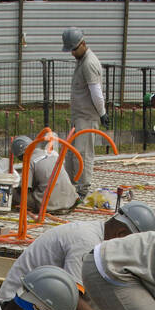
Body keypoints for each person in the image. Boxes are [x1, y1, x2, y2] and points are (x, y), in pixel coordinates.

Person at [0, 202, 155, 310]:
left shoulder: (100, 237)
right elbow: (74, 305)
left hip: (47, 305)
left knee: (102, 294)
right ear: (122, 234)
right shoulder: (87, 243)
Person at [62, 27, 108, 201]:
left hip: (87, 117)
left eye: (74, 49)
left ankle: (82, 190)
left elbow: (96, 93)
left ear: (82, 44)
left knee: (83, 153)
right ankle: (70, 186)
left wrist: (102, 113)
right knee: (72, 152)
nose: (72, 53)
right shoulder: (81, 60)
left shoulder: (89, 63)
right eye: (70, 50)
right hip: (78, 116)